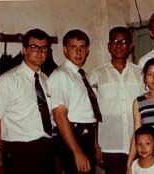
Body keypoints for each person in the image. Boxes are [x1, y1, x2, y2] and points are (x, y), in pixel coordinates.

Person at [0, 28, 55, 174]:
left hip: (47, 148)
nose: (40, 52)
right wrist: (7, 150)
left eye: (44, 48)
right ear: (24, 50)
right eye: (34, 47)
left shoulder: (46, 80)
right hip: (19, 151)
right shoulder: (8, 80)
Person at [89, 26, 144, 174]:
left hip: (138, 145)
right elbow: (92, 113)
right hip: (109, 145)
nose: (119, 45)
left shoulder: (140, 73)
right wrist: (95, 144)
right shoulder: (96, 74)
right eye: (115, 41)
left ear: (131, 46)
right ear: (109, 46)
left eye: (124, 41)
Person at [48, 29, 100, 174]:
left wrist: (95, 145)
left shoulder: (84, 76)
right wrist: (77, 152)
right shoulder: (61, 76)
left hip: (86, 137)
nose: (78, 52)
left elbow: (91, 114)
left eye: (82, 48)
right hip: (72, 140)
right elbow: (59, 116)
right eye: (73, 47)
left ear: (87, 50)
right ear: (65, 50)